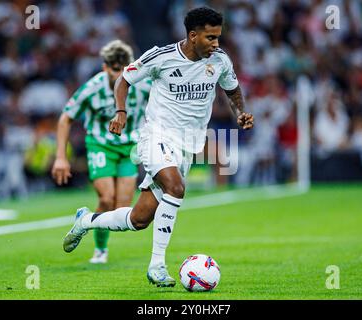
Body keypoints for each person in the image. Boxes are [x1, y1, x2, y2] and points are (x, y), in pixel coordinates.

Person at [62, 7, 254, 287]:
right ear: (193, 35)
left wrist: (240, 112)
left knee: (139, 219)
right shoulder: (161, 57)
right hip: (156, 136)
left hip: (187, 147)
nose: (216, 44)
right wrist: (121, 112)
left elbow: (232, 88)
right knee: (176, 188)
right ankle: (157, 266)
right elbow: (123, 80)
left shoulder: (221, 61)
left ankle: (86, 221)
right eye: (210, 38)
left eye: (218, 38)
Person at [52, 40, 151, 264]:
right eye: (115, 69)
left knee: (124, 209)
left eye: (124, 69)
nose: (120, 74)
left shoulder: (142, 84)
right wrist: (60, 157)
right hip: (100, 145)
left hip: (129, 147)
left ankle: (85, 219)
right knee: (106, 199)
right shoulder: (92, 88)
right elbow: (66, 117)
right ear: (105, 67)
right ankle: (100, 251)